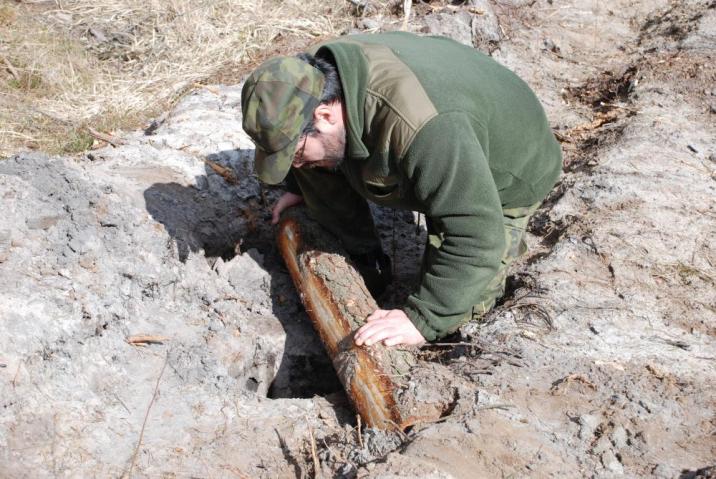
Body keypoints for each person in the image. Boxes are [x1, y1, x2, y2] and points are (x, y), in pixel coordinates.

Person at [240, 32, 562, 347]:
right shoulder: (308, 81)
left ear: (324, 115)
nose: (295, 164)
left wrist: (422, 319)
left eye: (294, 155)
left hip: (508, 167)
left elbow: (478, 237)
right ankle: (371, 265)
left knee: (464, 304)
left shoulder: (426, 131)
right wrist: (302, 187)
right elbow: (311, 150)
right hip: (448, 130)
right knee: (320, 161)